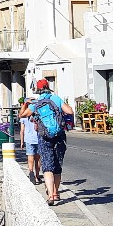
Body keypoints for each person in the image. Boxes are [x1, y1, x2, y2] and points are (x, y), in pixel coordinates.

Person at [19, 78, 73, 206]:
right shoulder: (56, 99)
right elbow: (70, 111)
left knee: (47, 166)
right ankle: (56, 191)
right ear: (48, 87)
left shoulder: (36, 104)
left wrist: (26, 104)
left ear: (38, 90)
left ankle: (50, 196)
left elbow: (22, 115)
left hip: (44, 137)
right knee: (57, 166)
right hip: (59, 136)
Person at [20, 108, 42, 184]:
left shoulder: (24, 117)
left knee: (30, 157)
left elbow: (22, 130)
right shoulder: (39, 114)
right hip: (38, 139)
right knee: (38, 159)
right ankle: (37, 176)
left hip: (28, 139)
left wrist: (22, 141)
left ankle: (31, 171)